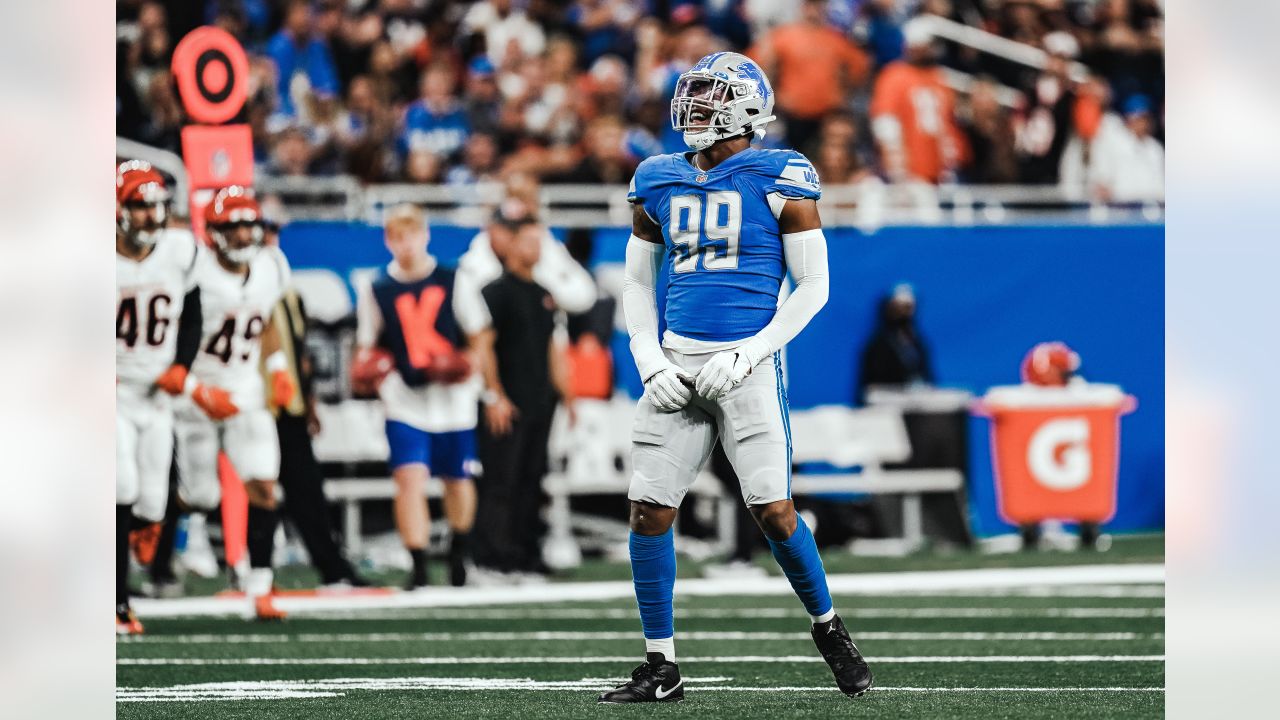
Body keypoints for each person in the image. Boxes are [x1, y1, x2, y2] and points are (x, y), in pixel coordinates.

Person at [599, 51, 872, 704]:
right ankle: (661, 663)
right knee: (648, 509)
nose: (691, 108)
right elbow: (637, 281)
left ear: (746, 106)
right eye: (690, 95)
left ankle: (828, 626)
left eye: (708, 96)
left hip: (749, 362)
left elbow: (813, 288)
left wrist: (750, 352)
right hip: (676, 361)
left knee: (774, 512)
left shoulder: (780, 172)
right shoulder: (657, 178)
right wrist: (649, 359)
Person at [173, 186, 295, 621]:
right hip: (194, 395)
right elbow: (168, 337)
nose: (245, 235)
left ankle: (260, 587)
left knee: (264, 486)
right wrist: (195, 390)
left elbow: (266, 321)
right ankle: (152, 528)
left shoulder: (271, 267)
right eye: (236, 227)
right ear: (215, 232)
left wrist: (278, 367)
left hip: (245, 392)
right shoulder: (194, 273)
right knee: (199, 496)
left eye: (250, 226)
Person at [352, 204, 483, 589]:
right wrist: (365, 371)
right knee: (409, 478)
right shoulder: (376, 287)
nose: (406, 244)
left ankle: (459, 552)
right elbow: (366, 345)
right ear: (388, 240)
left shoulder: (454, 278)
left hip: (454, 398)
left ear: (425, 236)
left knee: (457, 480)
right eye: (397, 236)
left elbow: (478, 337)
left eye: (412, 234)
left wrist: (468, 367)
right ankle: (419, 562)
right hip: (404, 396)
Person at [114, 161, 207, 634]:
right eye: (140, 205)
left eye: (157, 206)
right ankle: (117, 602)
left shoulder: (178, 250)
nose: (152, 216)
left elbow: (192, 316)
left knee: (152, 504)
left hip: (157, 397)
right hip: (111, 392)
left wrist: (180, 366)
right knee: (120, 486)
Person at [470, 218, 575, 576]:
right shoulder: (494, 292)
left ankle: (525, 553)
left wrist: (568, 396)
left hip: (541, 402)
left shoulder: (544, 294)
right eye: (528, 240)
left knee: (532, 479)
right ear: (511, 245)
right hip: (507, 403)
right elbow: (483, 348)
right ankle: (492, 556)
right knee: (501, 480)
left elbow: (552, 350)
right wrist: (494, 395)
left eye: (539, 241)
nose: (536, 248)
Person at [264, 238, 368, 590]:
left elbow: (300, 353)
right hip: (247, 406)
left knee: (306, 489)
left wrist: (308, 402)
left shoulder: (289, 294)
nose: (265, 240)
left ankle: (332, 568)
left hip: (288, 406)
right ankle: (246, 569)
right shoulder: (232, 289)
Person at [747, 0, 870, 148]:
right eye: (810, 4)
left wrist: (842, 94)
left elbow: (860, 67)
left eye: (818, 5)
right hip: (791, 118)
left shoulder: (835, 39)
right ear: (803, 7)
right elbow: (756, 62)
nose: (814, 10)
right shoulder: (784, 36)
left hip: (825, 118)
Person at [869, 18, 968, 184]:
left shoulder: (939, 77)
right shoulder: (894, 75)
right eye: (928, 44)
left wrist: (953, 159)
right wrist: (897, 168)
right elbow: (885, 124)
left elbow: (949, 123)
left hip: (942, 171)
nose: (933, 49)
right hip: (911, 172)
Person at [856, 283, 934, 404]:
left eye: (907, 307)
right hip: (884, 407)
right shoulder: (878, 344)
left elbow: (927, 375)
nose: (903, 313)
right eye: (898, 307)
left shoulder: (918, 342)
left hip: (915, 406)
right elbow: (871, 386)